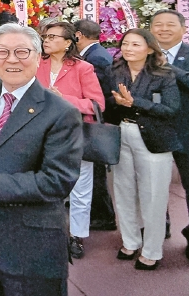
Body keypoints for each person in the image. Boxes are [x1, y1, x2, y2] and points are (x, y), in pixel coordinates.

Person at [0, 23, 83, 295]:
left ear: (38, 56)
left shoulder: (60, 112)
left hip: (32, 242)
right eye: (2, 52)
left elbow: (58, 180)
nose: (11, 60)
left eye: (22, 52)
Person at [106, 28, 180, 270]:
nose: (128, 49)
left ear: (149, 49)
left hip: (153, 138)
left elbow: (171, 109)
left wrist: (134, 102)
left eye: (136, 44)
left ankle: (152, 250)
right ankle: (130, 241)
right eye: (125, 44)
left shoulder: (163, 74)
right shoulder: (116, 71)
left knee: (153, 196)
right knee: (124, 191)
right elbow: (107, 103)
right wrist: (117, 103)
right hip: (122, 133)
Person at [36, 22, 105, 259]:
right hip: (41, 134)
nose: (47, 40)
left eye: (53, 37)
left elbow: (96, 105)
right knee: (45, 184)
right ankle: (48, 231)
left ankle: (77, 235)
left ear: (68, 42)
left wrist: (63, 98)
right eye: (45, 36)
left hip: (75, 135)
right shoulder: (36, 63)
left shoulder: (83, 68)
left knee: (80, 189)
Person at [150, 9, 189, 265]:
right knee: (153, 187)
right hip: (155, 130)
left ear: (184, 29)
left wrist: (168, 67)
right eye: (158, 24)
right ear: (151, 29)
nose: (163, 29)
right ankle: (157, 231)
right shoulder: (141, 55)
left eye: (170, 24)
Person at [73, 19, 117, 232]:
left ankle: (103, 215)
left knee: (96, 174)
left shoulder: (95, 58)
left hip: (96, 122)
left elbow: (97, 93)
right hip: (96, 120)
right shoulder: (97, 53)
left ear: (78, 35)